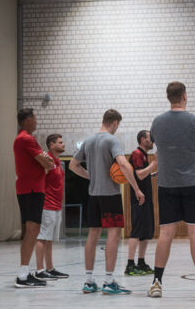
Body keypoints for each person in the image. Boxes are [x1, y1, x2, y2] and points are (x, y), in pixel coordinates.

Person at [147, 81, 195, 298]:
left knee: (165, 232)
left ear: (168, 97)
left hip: (167, 184)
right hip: (193, 183)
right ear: (185, 96)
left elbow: (155, 145)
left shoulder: (157, 122)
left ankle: (156, 283)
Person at [70, 109, 144, 295]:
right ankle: (109, 281)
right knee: (113, 234)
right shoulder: (112, 140)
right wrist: (136, 188)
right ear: (115, 123)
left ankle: (88, 281)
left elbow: (72, 165)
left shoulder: (88, 140)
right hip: (110, 195)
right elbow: (124, 165)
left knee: (93, 235)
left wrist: (91, 176)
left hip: (93, 194)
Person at [13, 108, 54, 288]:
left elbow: (48, 162)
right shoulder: (26, 139)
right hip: (30, 190)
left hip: (32, 189)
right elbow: (48, 163)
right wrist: (46, 159)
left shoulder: (27, 139)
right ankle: (22, 276)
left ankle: (24, 272)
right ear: (28, 120)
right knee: (32, 230)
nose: (37, 122)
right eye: (35, 118)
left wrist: (47, 160)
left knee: (33, 230)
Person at [34, 134, 70, 281]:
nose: (63, 144)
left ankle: (50, 268)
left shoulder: (57, 161)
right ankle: (39, 270)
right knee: (42, 237)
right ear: (51, 145)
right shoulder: (46, 160)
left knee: (49, 239)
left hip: (56, 206)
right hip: (46, 205)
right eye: (60, 142)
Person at [124, 130, 158, 276]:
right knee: (137, 231)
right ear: (143, 139)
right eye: (150, 139)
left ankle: (141, 262)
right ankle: (130, 265)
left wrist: (153, 174)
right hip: (139, 199)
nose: (153, 141)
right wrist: (155, 163)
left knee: (146, 232)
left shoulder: (144, 155)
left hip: (147, 198)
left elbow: (143, 175)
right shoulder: (137, 153)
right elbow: (139, 174)